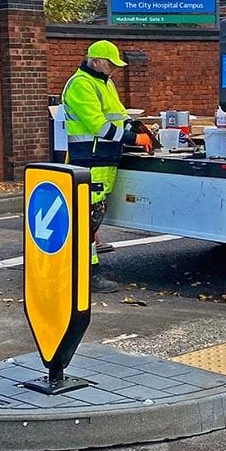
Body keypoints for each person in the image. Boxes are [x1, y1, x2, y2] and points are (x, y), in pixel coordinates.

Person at [61, 40, 152, 293]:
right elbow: (98, 126)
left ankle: (87, 269)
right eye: (111, 64)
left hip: (104, 158)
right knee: (87, 220)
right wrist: (134, 139)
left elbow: (118, 114)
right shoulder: (81, 84)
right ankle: (88, 275)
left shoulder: (104, 82)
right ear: (96, 61)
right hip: (90, 160)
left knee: (93, 218)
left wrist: (136, 127)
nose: (114, 69)